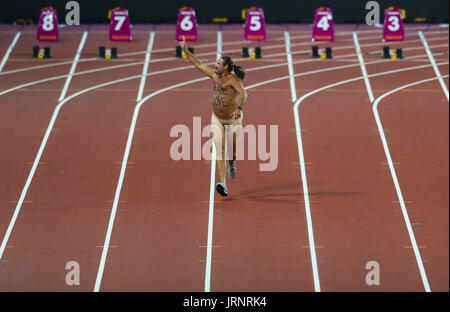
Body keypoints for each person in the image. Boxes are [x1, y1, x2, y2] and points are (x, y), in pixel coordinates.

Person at [179, 35, 247, 196]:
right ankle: (222, 183)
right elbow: (199, 64)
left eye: (218, 63)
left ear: (226, 67)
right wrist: (186, 51)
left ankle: (232, 164)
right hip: (216, 118)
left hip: (233, 120)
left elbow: (244, 94)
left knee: (231, 152)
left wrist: (239, 107)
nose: (215, 65)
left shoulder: (232, 80)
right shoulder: (214, 75)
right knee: (219, 149)